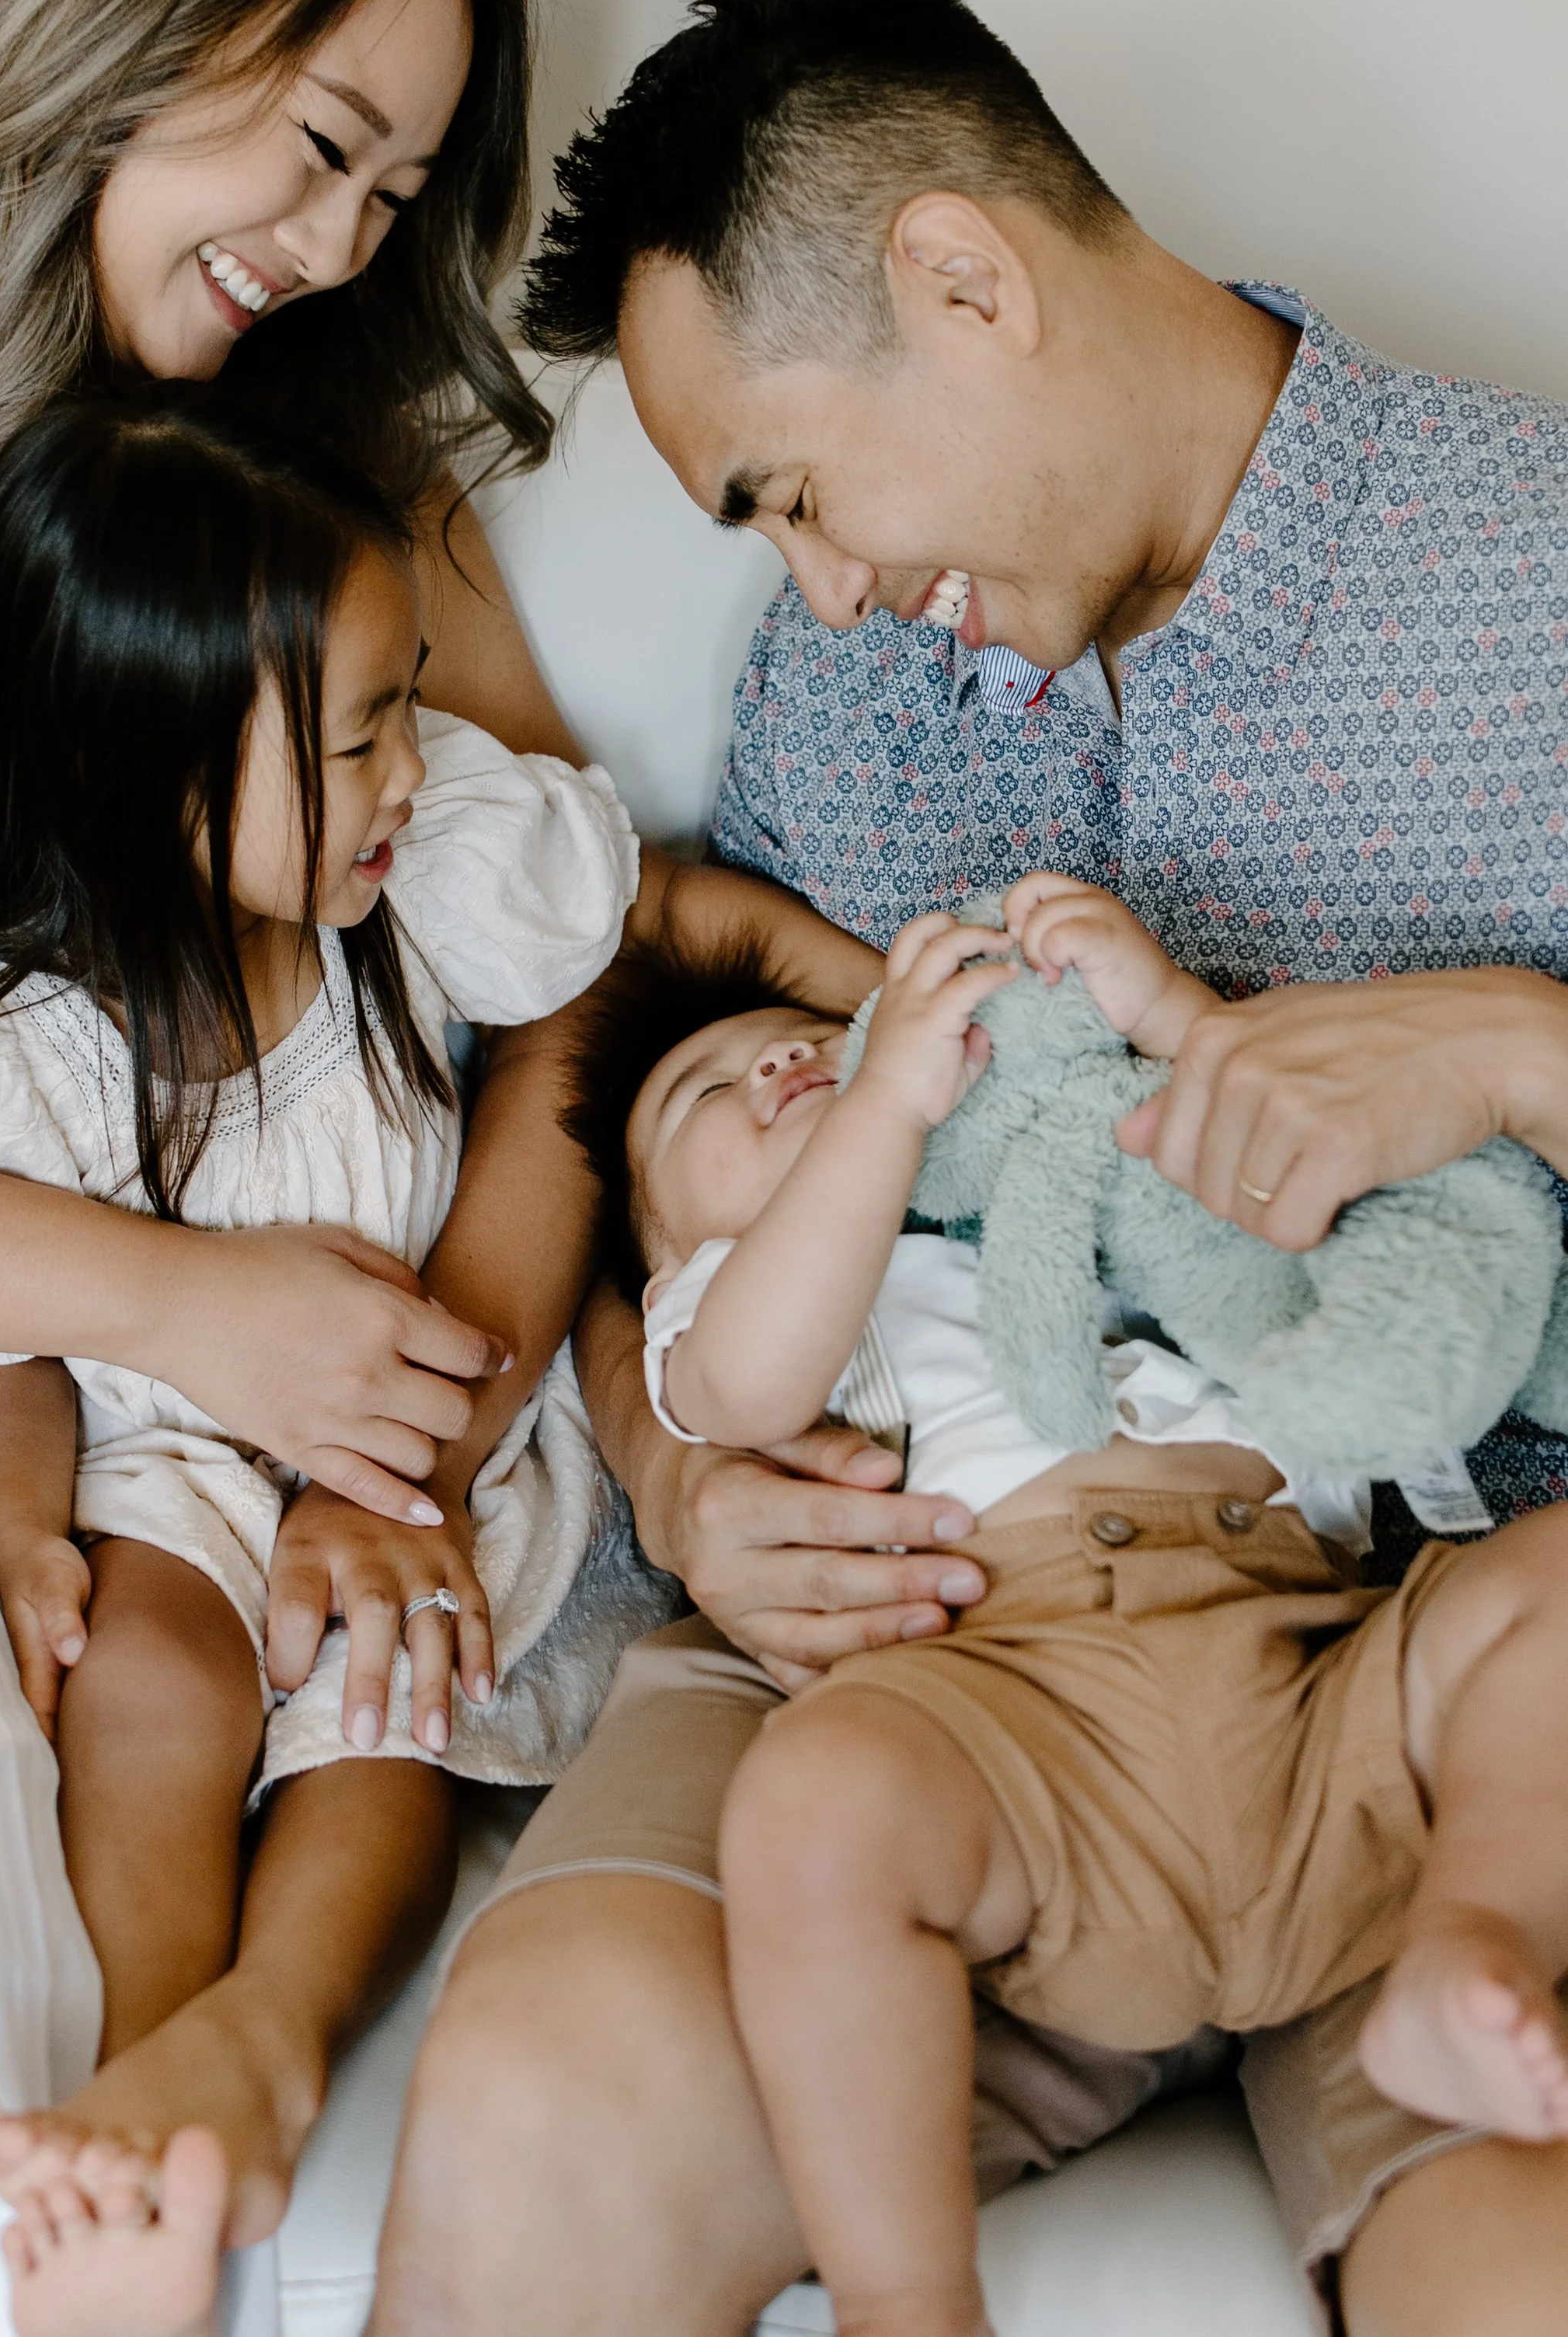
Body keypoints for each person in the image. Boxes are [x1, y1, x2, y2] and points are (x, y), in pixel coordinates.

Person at [0, 0, 869, 2337]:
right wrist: (181, 1318)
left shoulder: (325, 486)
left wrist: (425, 1404)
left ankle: (201, 2116)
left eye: (395, 193)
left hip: (266, 1379)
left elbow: (555, 996)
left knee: (24, 1935)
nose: (331, 245)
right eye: (313, 143)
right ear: (128, 8)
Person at [371, 0, 1568, 2337]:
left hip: (1424, 1664)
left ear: (960, 277)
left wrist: (1514, 1044)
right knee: (540, 2101)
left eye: (800, 486)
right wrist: (671, 1455)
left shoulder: (1532, 567)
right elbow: (672, 1149)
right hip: (907, 1673)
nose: (814, 584)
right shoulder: (845, 677)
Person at [0, 385, 682, 2335]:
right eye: (356, 732)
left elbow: (581, 1034)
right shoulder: (4, 1043)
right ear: (157, 768)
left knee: (381, 1689)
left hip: (419, 1435)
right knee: (151, 1659)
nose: (407, 771)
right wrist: (26, 1529)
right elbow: (2, 1330)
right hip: (174, 1457)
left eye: (405, 702)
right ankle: (143, 2047)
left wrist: (397, 1488)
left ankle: (256, 2058)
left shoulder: (419, 897)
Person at [566, 880, 1568, 2337]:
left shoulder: (1051, 1186)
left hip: (1319, 1675)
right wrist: (877, 1109)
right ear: (665, 1251)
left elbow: (1282, 1188)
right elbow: (753, 1381)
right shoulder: (731, 1299)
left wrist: (1161, 1017)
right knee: (817, 1799)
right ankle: (908, 2300)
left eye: (799, 1042)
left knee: (1546, 1581)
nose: (772, 1067)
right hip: (1025, 1715)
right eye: (702, 1099)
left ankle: (1466, 1938)